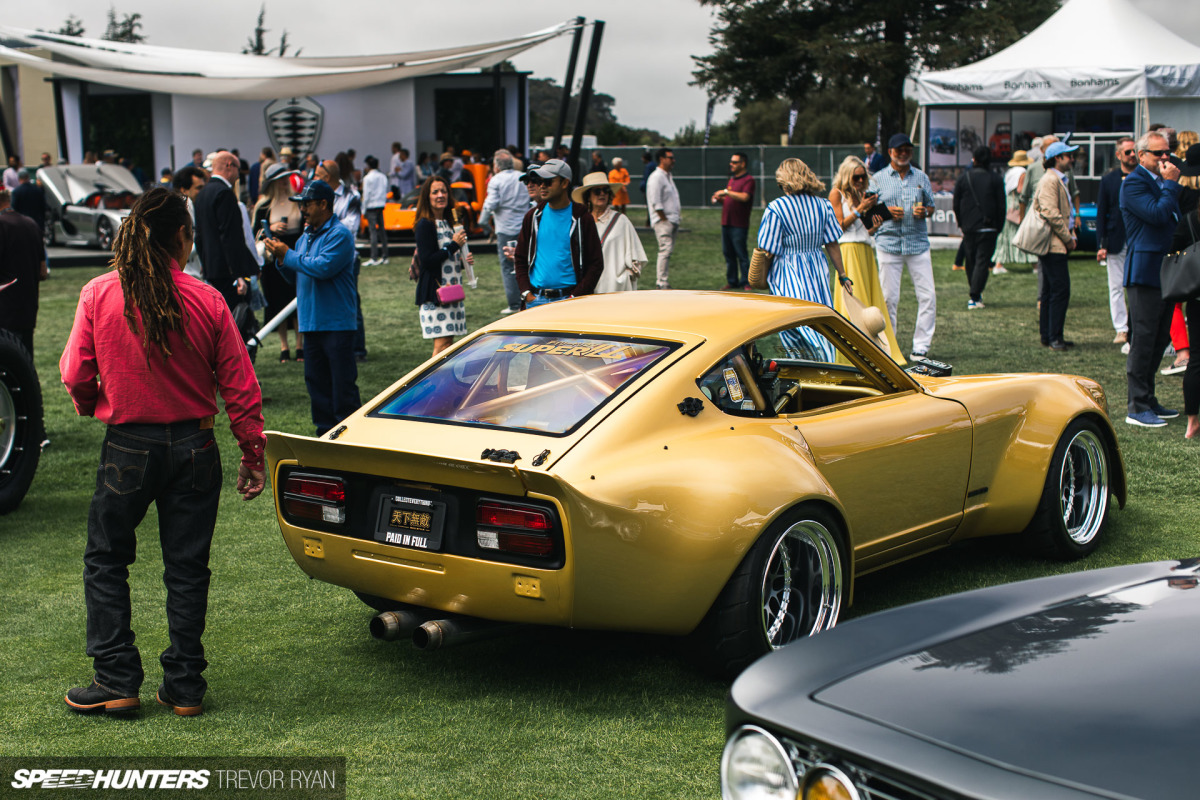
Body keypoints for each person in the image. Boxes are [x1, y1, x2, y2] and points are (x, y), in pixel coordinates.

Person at [59, 187, 265, 717]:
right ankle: (185, 687)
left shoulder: (99, 293)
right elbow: (240, 386)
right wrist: (252, 453)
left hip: (128, 443)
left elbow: (74, 373)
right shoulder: (208, 298)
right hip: (196, 445)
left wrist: (92, 403)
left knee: (106, 559)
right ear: (181, 236)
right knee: (187, 568)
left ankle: (116, 678)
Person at [263, 180, 361, 435]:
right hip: (311, 322)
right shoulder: (306, 235)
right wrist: (282, 260)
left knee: (342, 389)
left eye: (306, 204)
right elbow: (298, 275)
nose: (302, 209)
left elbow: (322, 268)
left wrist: (289, 254)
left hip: (336, 324)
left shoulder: (339, 234)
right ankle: (324, 437)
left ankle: (350, 441)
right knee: (316, 386)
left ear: (323, 204)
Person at [758, 158, 852, 360]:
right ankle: (820, 362)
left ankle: (815, 362)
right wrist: (843, 275)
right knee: (817, 316)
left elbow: (768, 249)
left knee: (792, 321)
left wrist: (760, 275)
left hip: (787, 268)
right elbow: (832, 243)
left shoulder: (777, 208)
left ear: (784, 180)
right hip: (817, 268)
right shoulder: (823, 205)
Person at [1120, 131, 1182, 427]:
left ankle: (1148, 398)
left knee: (1160, 338)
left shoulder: (1158, 182)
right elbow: (1157, 215)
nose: (1165, 158)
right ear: (1142, 155)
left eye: (1167, 152)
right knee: (1143, 339)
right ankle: (1136, 405)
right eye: (1158, 154)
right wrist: (1171, 185)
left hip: (1163, 270)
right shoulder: (1133, 183)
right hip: (1144, 272)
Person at [869, 133, 936, 360]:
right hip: (888, 244)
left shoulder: (921, 177)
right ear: (890, 152)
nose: (904, 153)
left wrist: (924, 211)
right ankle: (890, 345)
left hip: (917, 243)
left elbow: (931, 206)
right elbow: (868, 214)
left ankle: (921, 346)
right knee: (888, 299)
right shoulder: (877, 179)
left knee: (928, 296)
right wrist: (886, 213)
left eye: (908, 149)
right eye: (899, 150)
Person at [829, 156, 902, 361]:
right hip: (848, 251)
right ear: (847, 176)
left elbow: (864, 231)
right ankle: (854, 353)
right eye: (856, 178)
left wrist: (874, 227)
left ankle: (876, 350)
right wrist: (860, 209)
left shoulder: (863, 194)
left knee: (869, 301)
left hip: (866, 250)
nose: (861, 182)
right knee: (854, 301)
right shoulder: (837, 194)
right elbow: (838, 226)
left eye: (863, 178)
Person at [514, 158, 604, 308]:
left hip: (570, 301)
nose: (542, 186)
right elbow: (520, 257)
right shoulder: (533, 216)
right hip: (536, 300)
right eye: (539, 181)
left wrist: (576, 296)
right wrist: (526, 293)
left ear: (564, 183)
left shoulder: (582, 218)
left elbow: (596, 263)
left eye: (548, 181)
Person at [314, 159, 366, 361]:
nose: (314, 179)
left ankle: (358, 349)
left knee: (351, 301)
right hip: (324, 257)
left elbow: (350, 227)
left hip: (348, 259)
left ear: (327, 177)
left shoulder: (351, 196)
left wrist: (324, 227)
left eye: (317, 175)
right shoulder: (318, 196)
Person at [413, 176, 472, 356]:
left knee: (448, 345)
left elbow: (445, 257)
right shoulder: (425, 224)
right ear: (427, 197)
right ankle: (431, 383)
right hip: (436, 294)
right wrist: (454, 246)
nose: (440, 195)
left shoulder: (449, 223)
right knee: (441, 346)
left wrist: (462, 261)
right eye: (435, 192)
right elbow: (428, 260)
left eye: (444, 191)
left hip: (452, 290)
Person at [193, 151, 258, 309]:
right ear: (229, 166)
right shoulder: (225, 194)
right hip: (228, 273)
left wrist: (206, 267)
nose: (238, 175)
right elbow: (230, 237)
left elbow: (199, 236)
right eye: (238, 168)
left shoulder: (202, 195)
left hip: (212, 270)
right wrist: (238, 274)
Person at [253, 163, 303, 362]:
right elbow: (255, 233)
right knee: (278, 302)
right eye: (280, 179)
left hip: (294, 252)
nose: (284, 182)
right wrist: (270, 228)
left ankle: (300, 344)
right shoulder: (263, 206)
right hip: (273, 259)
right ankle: (284, 345)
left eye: (286, 177)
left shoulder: (297, 201)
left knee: (296, 300)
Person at [1032, 142, 1079, 352]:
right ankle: (1054, 336)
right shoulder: (1051, 180)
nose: (1072, 159)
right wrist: (1068, 237)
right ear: (1057, 158)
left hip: (1054, 243)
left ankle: (1049, 335)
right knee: (1060, 291)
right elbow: (1052, 213)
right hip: (1053, 244)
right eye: (1068, 155)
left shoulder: (1056, 179)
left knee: (1051, 291)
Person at [572, 172, 646, 293]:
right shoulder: (580, 223)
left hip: (614, 289)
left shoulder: (621, 221)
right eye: (597, 191)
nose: (602, 194)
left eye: (605, 190)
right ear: (588, 196)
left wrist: (625, 277)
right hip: (587, 287)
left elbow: (636, 256)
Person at [952, 146, 1006, 310]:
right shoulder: (995, 178)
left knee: (971, 260)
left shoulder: (964, 178)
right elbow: (1001, 205)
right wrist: (999, 226)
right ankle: (975, 295)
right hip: (989, 227)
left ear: (974, 159)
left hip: (969, 227)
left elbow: (956, 203)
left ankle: (975, 293)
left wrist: (961, 223)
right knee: (982, 261)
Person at [1096, 138, 1137, 347]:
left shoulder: (1143, 177)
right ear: (1119, 155)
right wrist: (1100, 244)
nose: (1132, 155)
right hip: (1115, 239)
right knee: (1116, 285)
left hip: (1138, 238)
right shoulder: (1109, 179)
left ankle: (1135, 326)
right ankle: (1121, 328)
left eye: (1134, 151)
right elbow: (1102, 212)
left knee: (1137, 286)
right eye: (1128, 151)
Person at [477, 150, 528, 315]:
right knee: (526, 264)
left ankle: (514, 304)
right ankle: (529, 298)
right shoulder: (523, 176)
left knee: (508, 267)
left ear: (496, 165)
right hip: (524, 227)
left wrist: (485, 225)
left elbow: (490, 203)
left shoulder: (495, 180)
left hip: (505, 229)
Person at [712, 151, 756, 290]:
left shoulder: (748, 180)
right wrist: (722, 200)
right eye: (731, 162)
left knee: (741, 254)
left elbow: (744, 197)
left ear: (743, 164)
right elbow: (731, 199)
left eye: (735, 162)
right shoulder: (732, 180)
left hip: (739, 224)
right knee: (728, 254)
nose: (731, 164)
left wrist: (725, 192)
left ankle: (746, 281)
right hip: (727, 223)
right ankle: (732, 281)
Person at [991, 150, 1038, 275]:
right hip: (1018, 205)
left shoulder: (1010, 172)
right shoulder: (1023, 173)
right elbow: (1021, 189)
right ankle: (1035, 264)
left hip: (1009, 204)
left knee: (1006, 236)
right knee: (1026, 234)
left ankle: (999, 264)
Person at [646, 148, 681, 290]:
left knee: (668, 251)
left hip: (671, 219)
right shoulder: (656, 177)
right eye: (670, 158)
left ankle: (664, 280)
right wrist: (663, 219)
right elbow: (656, 201)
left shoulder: (667, 175)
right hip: (663, 221)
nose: (673, 160)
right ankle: (661, 282)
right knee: (665, 250)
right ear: (662, 159)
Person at [361, 155, 389, 266]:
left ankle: (374, 257)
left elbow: (366, 195)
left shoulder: (367, 178)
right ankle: (385, 256)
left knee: (373, 232)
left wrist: (363, 209)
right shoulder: (382, 177)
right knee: (382, 231)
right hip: (380, 205)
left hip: (371, 206)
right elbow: (385, 190)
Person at [11, 168, 46, 235]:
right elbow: (43, 207)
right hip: (37, 222)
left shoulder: (16, 192)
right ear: (28, 176)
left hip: (22, 223)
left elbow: (14, 209)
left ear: (19, 178)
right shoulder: (38, 190)